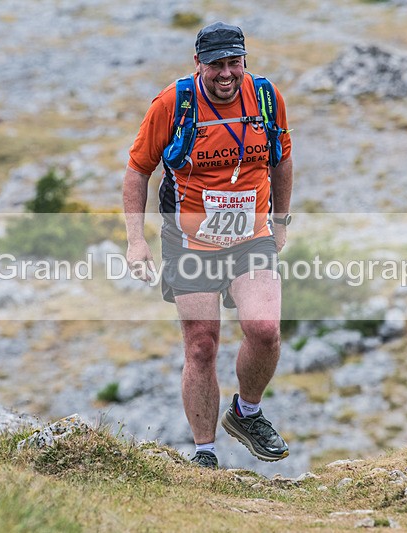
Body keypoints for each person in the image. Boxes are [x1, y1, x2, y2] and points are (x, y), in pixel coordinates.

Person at [122, 21, 294, 469]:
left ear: (244, 62)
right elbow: (138, 170)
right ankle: (205, 453)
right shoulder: (172, 104)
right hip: (189, 240)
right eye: (215, 64)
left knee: (264, 330)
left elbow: (282, 158)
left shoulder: (265, 98)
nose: (225, 74)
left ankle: (247, 413)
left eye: (233, 63)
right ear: (197, 63)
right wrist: (136, 240)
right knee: (201, 344)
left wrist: (280, 221)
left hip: (250, 237)